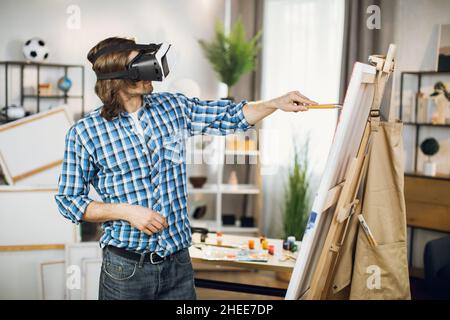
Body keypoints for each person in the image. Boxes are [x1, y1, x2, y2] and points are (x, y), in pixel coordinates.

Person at [55, 37, 316, 300]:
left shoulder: (173, 107)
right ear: (118, 76)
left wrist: (274, 103)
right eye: (141, 66)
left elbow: (230, 115)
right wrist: (126, 212)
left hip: (178, 264)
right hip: (126, 269)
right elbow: (69, 201)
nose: (153, 74)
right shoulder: (85, 132)